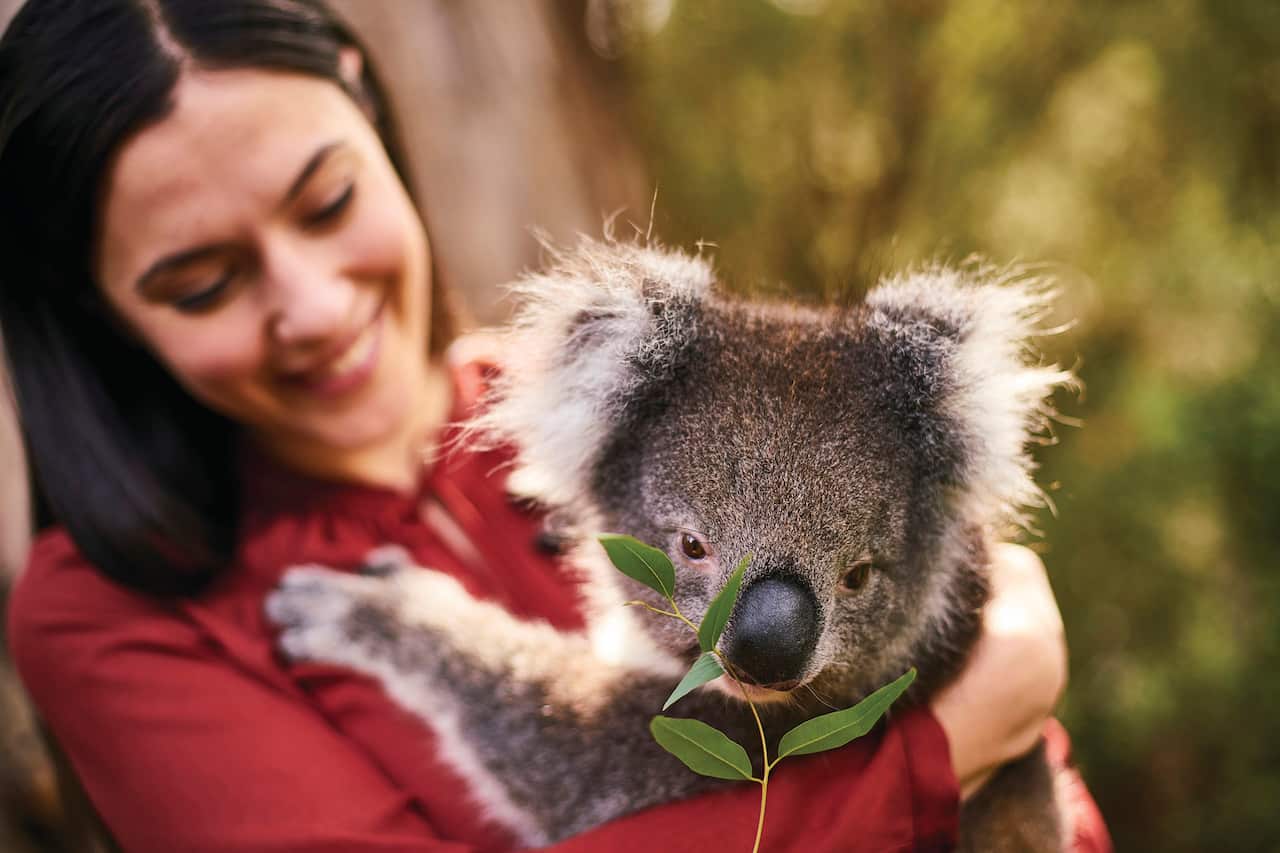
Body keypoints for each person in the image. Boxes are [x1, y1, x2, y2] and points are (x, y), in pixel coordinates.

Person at [0, 1, 1110, 851]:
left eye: (328, 202)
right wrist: (946, 747)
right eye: (202, 281)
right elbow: (595, 748)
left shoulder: (558, 405)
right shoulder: (107, 608)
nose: (313, 306)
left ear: (372, 109)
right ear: (98, 308)